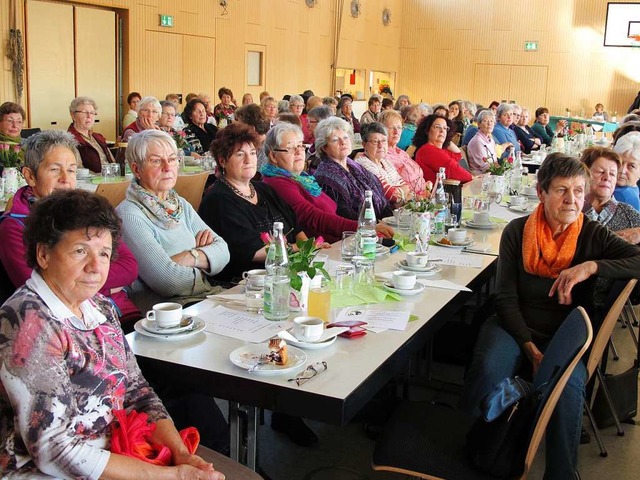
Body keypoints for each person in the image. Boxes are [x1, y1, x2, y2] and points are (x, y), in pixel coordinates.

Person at [0, 189, 225, 480]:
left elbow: (136, 390)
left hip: (116, 452)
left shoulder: (100, 307)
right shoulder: (27, 321)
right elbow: (53, 448)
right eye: (80, 251)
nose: (96, 267)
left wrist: (180, 453)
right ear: (43, 254)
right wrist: (171, 476)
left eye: (104, 253)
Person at [460, 153, 640, 480]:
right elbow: (505, 298)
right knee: (489, 368)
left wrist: (591, 266)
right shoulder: (517, 231)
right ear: (541, 192)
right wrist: (530, 349)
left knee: (568, 389)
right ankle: (477, 452)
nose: (572, 200)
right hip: (515, 326)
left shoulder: (592, 234)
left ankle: (562, 473)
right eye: (561, 190)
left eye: (578, 191)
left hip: (563, 335)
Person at [0, 130, 140, 327]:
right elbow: (38, 288)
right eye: (55, 170)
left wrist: (79, 282)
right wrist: (107, 287)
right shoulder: (14, 225)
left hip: (122, 314)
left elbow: (130, 267)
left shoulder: (89, 211)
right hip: (65, 326)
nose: (66, 179)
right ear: (30, 176)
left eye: (72, 170)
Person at [116, 130, 229, 311]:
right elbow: (169, 282)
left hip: (204, 299)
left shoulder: (178, 205)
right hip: (170, 313)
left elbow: (223, 251)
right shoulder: (130, 215)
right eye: (156, 161)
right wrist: (203, 259)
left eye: (172, 159)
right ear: (137, 169)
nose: (167, 167)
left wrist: (188, 256)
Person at [199, 123, 308, 282]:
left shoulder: (264, 189)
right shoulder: (218, 200)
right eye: (240, 154)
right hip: (244, 284)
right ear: (222, 161)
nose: (249, 160)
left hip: (286, 273)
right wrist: (303, 249)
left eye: (252, 153)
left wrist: (307, 249)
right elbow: (256, 252)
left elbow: (296, 227)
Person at [261, 123, 393, 243]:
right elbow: (312, 217)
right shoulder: (278, 182)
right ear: (273, 156)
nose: (299, 152)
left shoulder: (303, 178)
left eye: (300, 145)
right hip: (326, 249)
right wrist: (363, 227)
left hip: (343, 240)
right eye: (290, 148)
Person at [581, 146, 640, 309]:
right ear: (584, 174)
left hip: (601, 305)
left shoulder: (628, 214)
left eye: (613, 174)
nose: (607, 178)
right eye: (600, 172)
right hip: (565, 295)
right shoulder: (572, 209)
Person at [313, 117, 393, 220]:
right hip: (356, 231)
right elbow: (343, 215)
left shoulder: (354, 165)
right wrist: (376, 225)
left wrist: (389, 221)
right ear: (324, 147)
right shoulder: (325, 176)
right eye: (335, 140)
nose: (343, 142)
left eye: (345, 137)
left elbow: (381, 196)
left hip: (380, 225)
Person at [356, 122, 414, 208]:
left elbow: (409, 189)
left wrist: (400, 197)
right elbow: (391, 196)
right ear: (364, 145)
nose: (380, 145)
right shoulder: (363, 164)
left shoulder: (385, 161)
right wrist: (403, 196)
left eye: (383, 141)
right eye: (375, 142)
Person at [379, 109, 429, 198]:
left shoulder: (401, 153)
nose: (396, 131)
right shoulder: (382, 156)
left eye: (399, 127)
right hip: (408, 203)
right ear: (381, 130)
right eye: (391, 127)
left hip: (424, 198)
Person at [413, 114, 472, 184]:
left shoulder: (440, 150)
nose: (442, 131)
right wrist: (472, 177)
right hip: (433, 193)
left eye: (445, 128)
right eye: (437, 127)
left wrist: (446, 140)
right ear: (427, 130)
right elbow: (452, 169)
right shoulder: (428, 150)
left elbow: (457, 156)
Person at [67, 96, 116, 173]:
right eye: (84, 112)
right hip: (92, 183)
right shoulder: (70, 140)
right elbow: (78, 171)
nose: (89, 116)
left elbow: (113, 162)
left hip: (110, 179)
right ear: (73, 115)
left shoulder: (98, 137)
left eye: (92, 113)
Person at [612, 132, 640, 210]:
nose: (622, 170)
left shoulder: (621, 195)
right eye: (620, 162)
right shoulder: (632, 189)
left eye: (631, 166)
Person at [466, 110, 497, 174]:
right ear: (479, 124)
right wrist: (500, 170)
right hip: (480, 176)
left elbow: (494, 161)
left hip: (491, 173)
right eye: (485, 121)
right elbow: (484, 166)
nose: (489, 124)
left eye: (491, 121)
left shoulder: (491, 140)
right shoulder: (478, 141)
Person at [305, 105, 333, 172]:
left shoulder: (326, 149)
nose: (307, 125)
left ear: (321, 123)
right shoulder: (315, 145)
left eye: (310, 122)